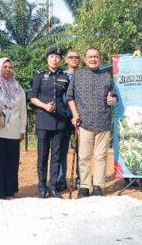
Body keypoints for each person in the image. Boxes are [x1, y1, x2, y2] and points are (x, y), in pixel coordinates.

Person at [67, 47, 117, 198]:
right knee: (84, 157)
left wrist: (113, 99)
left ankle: (98, 186)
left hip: (103, 122)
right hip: (84, 123)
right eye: (90, 56)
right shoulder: (78, 75)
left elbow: (114, 96)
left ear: (100, 59)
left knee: (101, 156)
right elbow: (70, 97)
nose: (93, 59)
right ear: (85, 59)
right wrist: (75, 115)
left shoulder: (107, 76)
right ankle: (84, 186)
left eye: (96, 56)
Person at [0, 58, 27, 199]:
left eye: (10, 67)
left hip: (13, 129)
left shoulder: (18, 87)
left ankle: (9, 191)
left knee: (11, 161)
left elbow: (22, 110)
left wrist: (22, 129)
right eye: (4, 66)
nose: (7, 69)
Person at [30, 47, 69, 198]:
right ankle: (42, 186)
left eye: (57, 57)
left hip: (60, 121)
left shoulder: (64, 77)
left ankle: (53, 186)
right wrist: (44, 106)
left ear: (60, 60)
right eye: (52, 56)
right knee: (43, 154)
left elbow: (69, 97)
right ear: (47, 59)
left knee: (57, 155)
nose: (55, 59)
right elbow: (33, 97)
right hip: (44, 120)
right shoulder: (40, 76)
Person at [57, 50, 81, 192]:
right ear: (66, 60)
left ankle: (80, 178)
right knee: (61, 150)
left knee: (81, 151)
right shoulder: (61, 75)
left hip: (81, 118)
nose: (74, 59)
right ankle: (61, 179)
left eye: (76, 57)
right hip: (64, 117)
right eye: (71, 57)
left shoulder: (84, 75)